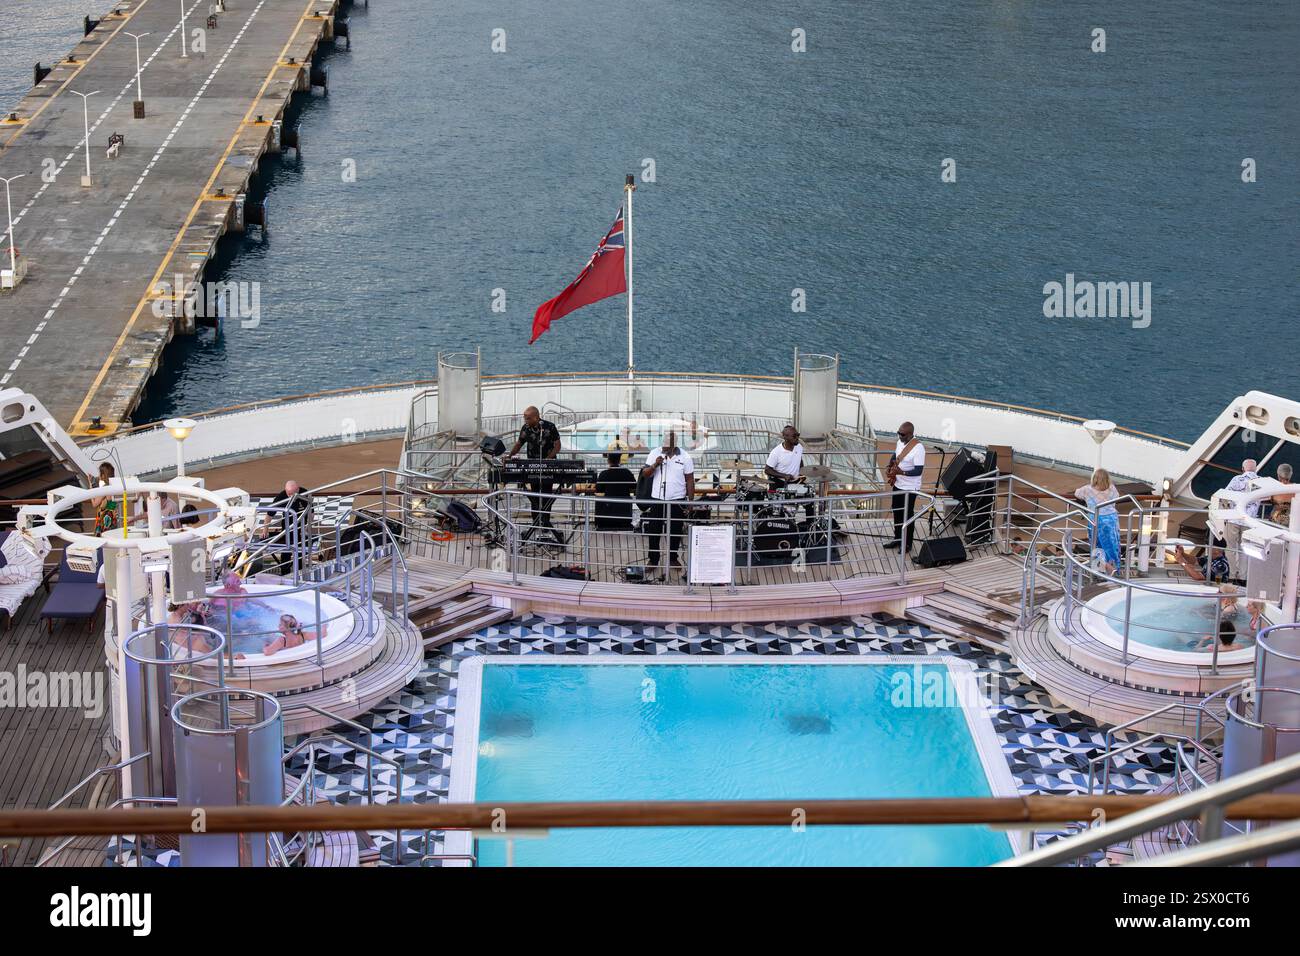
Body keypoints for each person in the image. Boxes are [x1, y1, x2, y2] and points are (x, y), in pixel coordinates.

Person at [641, 429, 695, 572]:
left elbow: (690, 480)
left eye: (667, 444)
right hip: (657, 499)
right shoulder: (654, 453)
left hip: (677, 499)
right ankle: (653, 560)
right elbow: (645, 474)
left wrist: (690, 501)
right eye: (663, 442)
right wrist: (655, 465)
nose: (663, 445)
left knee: (675, 530)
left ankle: (672, 558)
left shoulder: (685, 456)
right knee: (654, 530)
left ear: (674, 445)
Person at [504, 406, 562, 539]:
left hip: (548, 466)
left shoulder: (549, 427)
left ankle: (546, 524)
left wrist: (547, 460)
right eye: (525, 417)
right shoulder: (525, 428)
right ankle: (536, 524)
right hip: (532, 466)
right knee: (534, 496)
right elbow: (519, 444)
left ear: (536, 417)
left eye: (528, 418)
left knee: (547, 495)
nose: (525, 420)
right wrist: (509, 456)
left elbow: (557, 445)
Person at [884, 422, 925, 552]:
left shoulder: (918, 448)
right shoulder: (900, 441)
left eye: (902, 434)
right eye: (898, 433)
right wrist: (889, 465)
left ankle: (907, 544)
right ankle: (897, 538)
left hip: (910, 488)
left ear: (910, 434)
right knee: (897, 512)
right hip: (898, 484)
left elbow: (918, 471)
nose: (899, 436)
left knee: (907, 515)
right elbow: (896, 455)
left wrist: (901, 472)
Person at [1221, 459, 1260, 582]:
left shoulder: (1236, 479)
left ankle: (1232, 575)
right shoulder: (1261, 481)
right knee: (1246, 549)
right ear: (1256, 469)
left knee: (1230, 548)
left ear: (1243, 469)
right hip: (1249, 521)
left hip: (1234, 518)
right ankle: (1243, 577)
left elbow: (1225, 494)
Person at [1076, 468, 1121, 573]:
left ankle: (1101, 570)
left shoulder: (1087, 489)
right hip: (1112, 520)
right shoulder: (1112, 488)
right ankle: (1114, 569)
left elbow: (1077, 493)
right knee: (1112, 546)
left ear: (1094, 478)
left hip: (1096, 519)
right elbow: (1116, 499)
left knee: (1097, 546)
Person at [269, 479, 311, 574]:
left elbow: (311, 513)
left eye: (292, 494)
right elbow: (269, 513)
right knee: (286, 553)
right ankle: (284, 574)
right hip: (287, 529)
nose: (290, 496)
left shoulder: (305, 494)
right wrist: (265, 529)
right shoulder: (282, 496)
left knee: (301, 553)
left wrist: (307, 527)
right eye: (288, 494)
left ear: (298, 490)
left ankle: (301, 573)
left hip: (301, 529)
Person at [595, 452, 637, 530]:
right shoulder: (627, 472)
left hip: (609, 510)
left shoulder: (603, 474)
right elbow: (634, 486)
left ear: (608, 461)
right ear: (619, 461)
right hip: (624, 511)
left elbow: (598, 489)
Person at [764, 425, 804, 490]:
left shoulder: (799, 447)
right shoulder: (776, 452)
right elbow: (767, 470)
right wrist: (784, 476)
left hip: (796, 482)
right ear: (785, 438)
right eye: (794, 436)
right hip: (780, 483)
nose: (797, 438)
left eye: (798, 435)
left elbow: (799, 459)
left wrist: (802, 473)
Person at [91, 462, 122, 536]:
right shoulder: (115, 486)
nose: (99, 475)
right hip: (113, 520)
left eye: (100, 473)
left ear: (103, 475)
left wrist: (90, 485)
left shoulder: (105, 488)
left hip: (103, 521)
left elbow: (94, 504)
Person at [1269, 463, 1294, 527]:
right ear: (1290, 475)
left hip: (1274, 521)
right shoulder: (1295, 489)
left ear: (1278, 475)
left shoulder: (1274, 488)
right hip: (1290, 522)